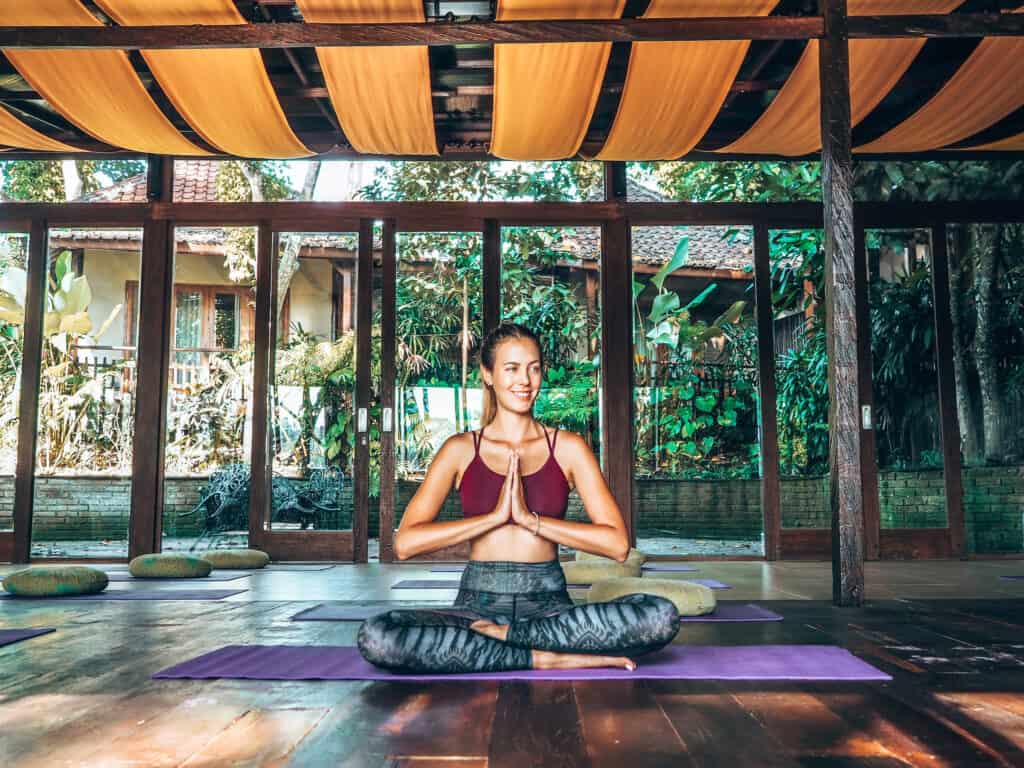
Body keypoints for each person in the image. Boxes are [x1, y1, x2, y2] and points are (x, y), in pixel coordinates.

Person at [358, 323, 680, 673]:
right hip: (476, 605)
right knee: (378, 636)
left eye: (534, 368)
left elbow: (617, 545)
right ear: (488, 374)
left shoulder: (568, 448)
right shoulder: (460, 449)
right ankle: (541, 656)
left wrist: (531, 521)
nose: (524, 380)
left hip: (549, 608)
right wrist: (494, 518)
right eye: (511, 368)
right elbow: (405, 543)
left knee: (659, 616)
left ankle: (507, 640)